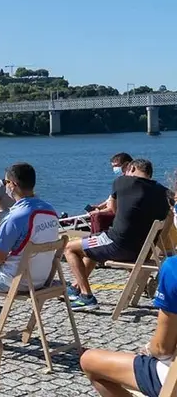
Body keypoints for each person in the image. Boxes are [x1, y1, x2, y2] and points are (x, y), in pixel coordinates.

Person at [65, 158, 170, 311]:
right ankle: (76, 287)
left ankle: (86, 297)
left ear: (132, 169)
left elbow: (114, 210)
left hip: (118, 245)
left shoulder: (122, 182)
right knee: (92, 246)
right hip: (143, 251)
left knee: (69, 248)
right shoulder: (163, 192)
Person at [80, 254, 177, 396]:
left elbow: (162, 349)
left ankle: (83, 294)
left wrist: (149, 348)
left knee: (89, 361)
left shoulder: (173, 267)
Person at [0, 163, 59, 296]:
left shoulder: (15, 218)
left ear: (12, 184)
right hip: (42, 278)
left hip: (16, 279)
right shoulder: (50, 210)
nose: (5, 186)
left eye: (5, 182)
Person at [86, 153, 133, 234]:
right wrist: (99, 206)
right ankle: (94, 236)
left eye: (116, 166)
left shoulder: (128, 182)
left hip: (120, 213)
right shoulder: (120, 180)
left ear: (126, 165)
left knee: (97, 216)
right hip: (114, 209)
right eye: (113, 166)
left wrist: (99, 211)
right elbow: (111, 198)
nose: (115, 169)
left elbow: (113, 207)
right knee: (94, 215)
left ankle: (99, 237)